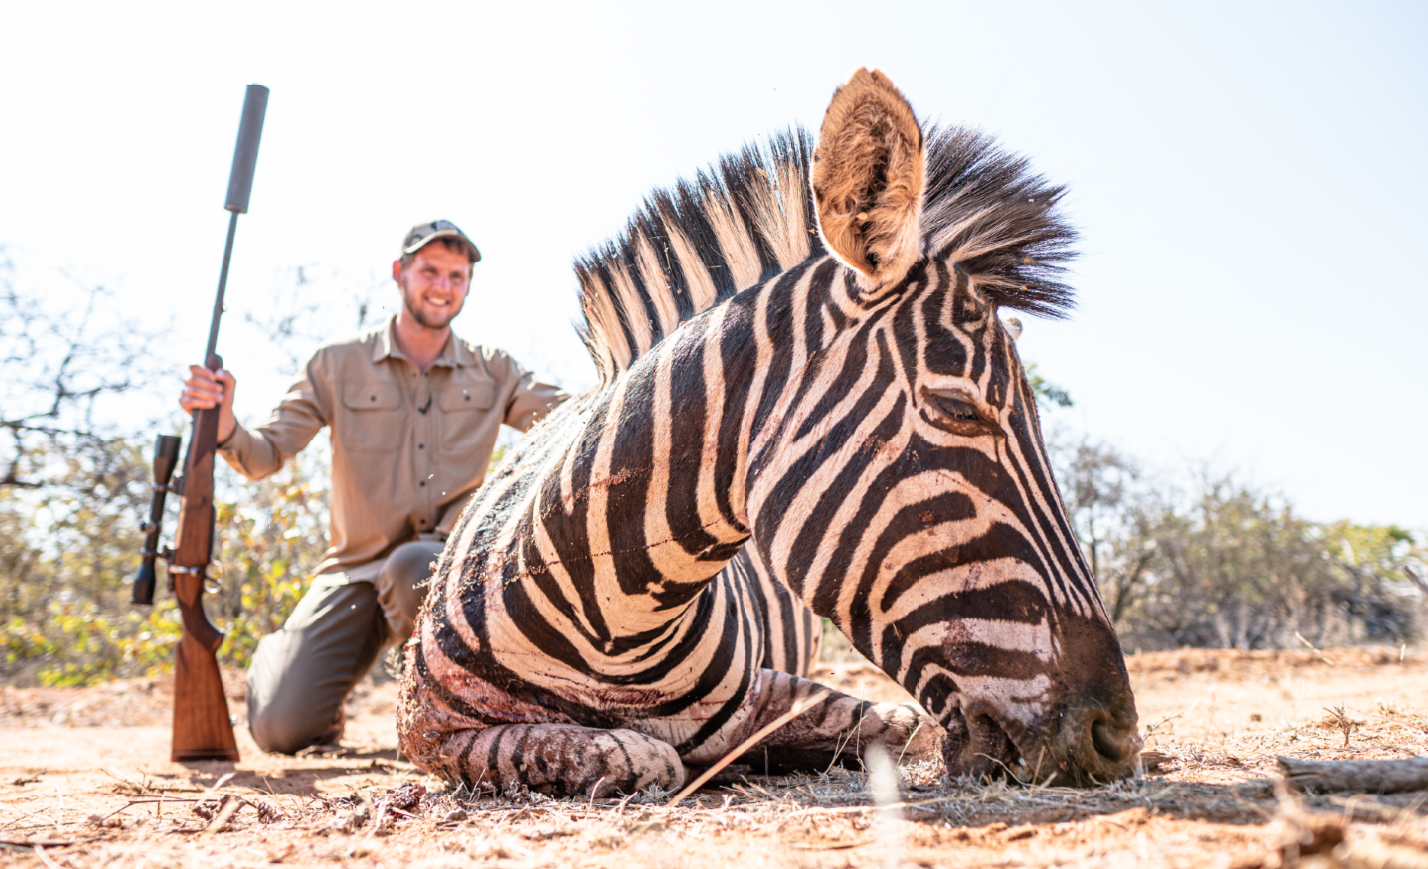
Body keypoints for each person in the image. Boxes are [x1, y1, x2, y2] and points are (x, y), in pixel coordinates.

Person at [179, 220, 567, 754]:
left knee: (412, 566)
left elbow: (577, 420)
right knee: (279, 730)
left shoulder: (495, 370)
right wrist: (222, 421)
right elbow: (264, 455)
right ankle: (291, 655)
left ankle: (451, 721)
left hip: (447, 570)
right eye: (429, 270)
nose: (443, 285)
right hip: (353, 572)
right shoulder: (336, 364)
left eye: (458, 275)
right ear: (399, 273)